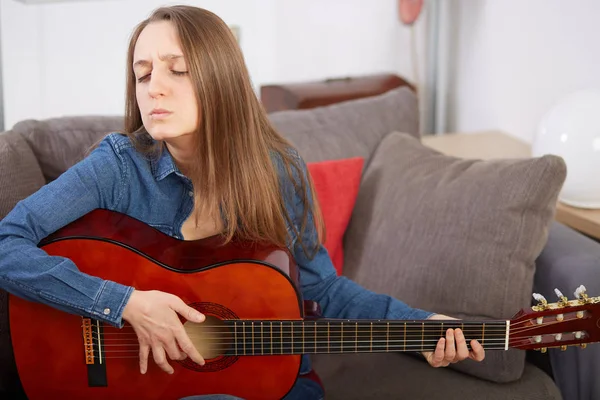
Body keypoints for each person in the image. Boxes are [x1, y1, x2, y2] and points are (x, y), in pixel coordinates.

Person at [0, 5, 485, 400]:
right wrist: (124, 304)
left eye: (178, 70)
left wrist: (419, 325)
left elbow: (321, 291)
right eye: (142, 73)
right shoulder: (119, 166)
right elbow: (7, 242)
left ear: (220, 78)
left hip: (269, 383)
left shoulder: (277, 171)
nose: (154, 89)